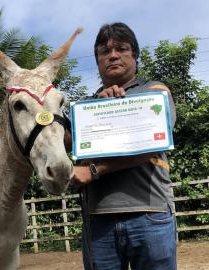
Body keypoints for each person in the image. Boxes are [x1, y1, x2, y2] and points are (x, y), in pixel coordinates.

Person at [71, 22, 177, 270]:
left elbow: (154, 142)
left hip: (150, 214)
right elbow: (79, 161)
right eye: (104, 51)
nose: (113, 55)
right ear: (97, 60)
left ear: (135, 56)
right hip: (98, 220)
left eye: (121, 48)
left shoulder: (155, 92)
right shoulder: (86, 107)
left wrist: (94, 170)